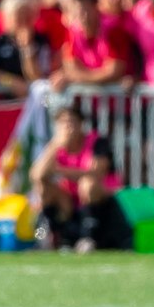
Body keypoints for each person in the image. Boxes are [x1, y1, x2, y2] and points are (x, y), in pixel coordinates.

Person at [30, 105, 122, 253]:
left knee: (87, 184)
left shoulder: (96, 142)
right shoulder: (56, 147)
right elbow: (36, 176)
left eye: (71, 121)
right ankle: (48, 236)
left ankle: (89, 238)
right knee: (43, 186)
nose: (68, 127)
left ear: (81, 124)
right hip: (69, 200)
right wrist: (54, 145)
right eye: (62, 123)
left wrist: (60, 171)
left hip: (101, 196)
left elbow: (96, 173)